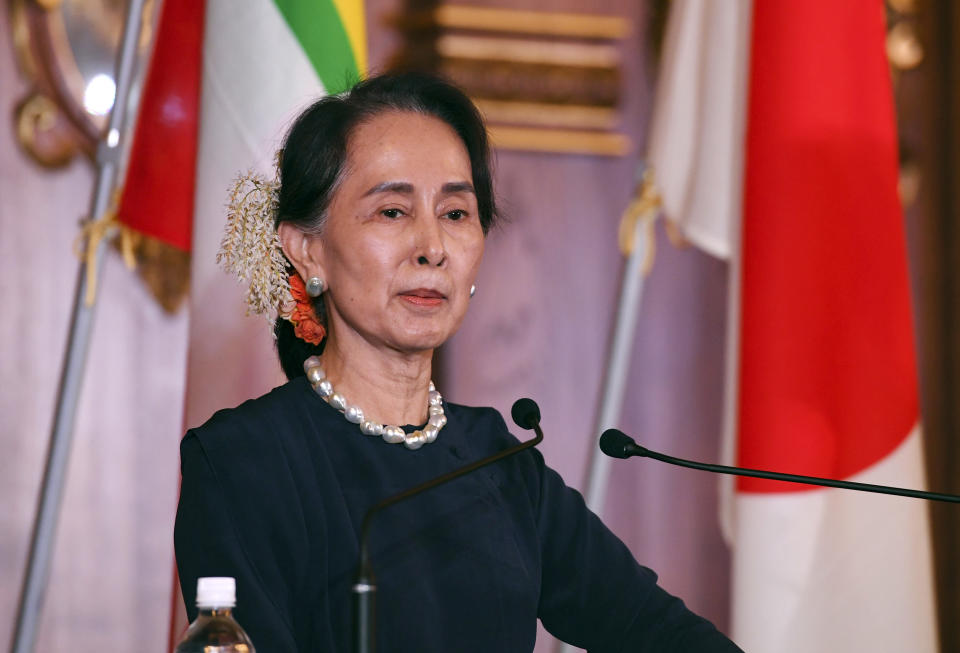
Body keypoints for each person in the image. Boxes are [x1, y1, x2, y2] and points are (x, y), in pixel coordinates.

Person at [174, 72, 742, 652]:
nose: (432, 247)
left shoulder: (499, 463)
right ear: (307, 249)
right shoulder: (241, 463)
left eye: (455, 213)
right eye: (392, 211)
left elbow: (657, 632)